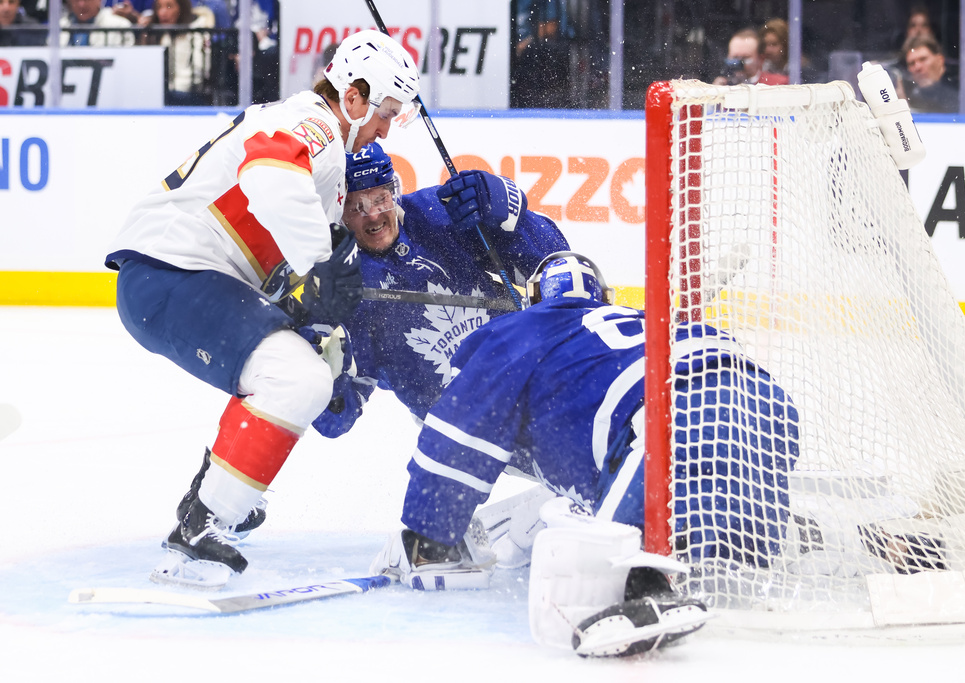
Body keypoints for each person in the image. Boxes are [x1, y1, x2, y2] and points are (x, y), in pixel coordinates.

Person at [103, 30, 421, 587]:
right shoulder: (317, 128)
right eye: (385, 113)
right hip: (171, 272)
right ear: (353, 98)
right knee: (294, 377)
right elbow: (269, 177)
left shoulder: (314, 134)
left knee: (308, 368)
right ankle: (202, 527)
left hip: (173, 275)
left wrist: (322, 321)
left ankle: (224, 492)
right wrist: (320, 264)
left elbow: (279, 247)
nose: (383, 130)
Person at [369, 252, 800, 654]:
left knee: (607, 570)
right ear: (603, 296)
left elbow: (458, 439)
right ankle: (810, 533)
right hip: (768, 407)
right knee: (732, 547)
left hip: (676, 419)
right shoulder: (642, 317)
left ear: (534, 298)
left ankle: (646, 588)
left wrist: (429, 535)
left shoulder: (519, 330)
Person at [309, 142, 569, 438]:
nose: (373, 216)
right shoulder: (341, 281)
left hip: (531, 378)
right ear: (337, 210)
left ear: (394, 191)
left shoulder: (439, 212)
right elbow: (337, 420)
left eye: (380, 199)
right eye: (357, 207)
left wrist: (514, 221)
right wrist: (321, 371)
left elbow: (557, 262)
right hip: (464, 432)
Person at [139, 0, 216, 106]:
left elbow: (200, 71)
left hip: (187, 93)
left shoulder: (197, 31)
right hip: (158, 93)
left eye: (169, 6)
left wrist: (170, 88)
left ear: (182, 8)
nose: (162, 12)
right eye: (159, 7)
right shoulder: (153, 32)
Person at [713, 27, 788, 87]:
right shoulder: (722, 86)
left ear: (760, 59)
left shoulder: (776, 85)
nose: (739, 62)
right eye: (735, 57)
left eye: (745, 58)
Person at [903, 35, 958, 113]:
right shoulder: (908, 98)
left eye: (923, 59)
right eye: (912, 63)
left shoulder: (962, 94)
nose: (918, 67)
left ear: (940, 60)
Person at [60, 0, 135, 46]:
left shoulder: (120, 25)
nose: (81, 4)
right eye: (76, 0)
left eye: (86, 0)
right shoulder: (58, 26)